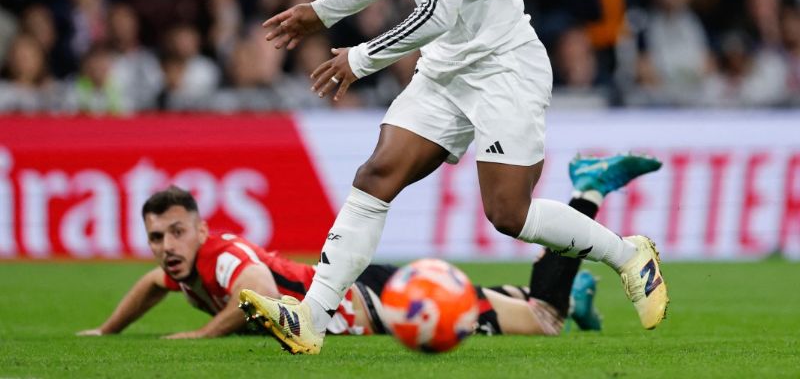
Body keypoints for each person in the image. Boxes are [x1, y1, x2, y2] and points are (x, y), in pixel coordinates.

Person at [248, 0, 668, 355]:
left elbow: (436, 13)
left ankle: (628, 253)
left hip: (503, 65)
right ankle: (312, 318)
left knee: (507, 213)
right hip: (448, 66)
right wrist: (321, 12)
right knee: (377, 174)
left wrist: (359, 56)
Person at [76, 153, 661, 339]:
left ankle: (586, 188)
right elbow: (154, 284)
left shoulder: (219, 256)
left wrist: (202, 338)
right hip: (367, 289)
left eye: (177, 231)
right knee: (520, 304)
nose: (166, 247)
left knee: (543, 320)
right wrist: (106, 331)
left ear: (200, 229)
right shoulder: (183, 265)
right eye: (156, 237)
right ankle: (578, 291)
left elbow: (252, 286)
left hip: (379, 303)